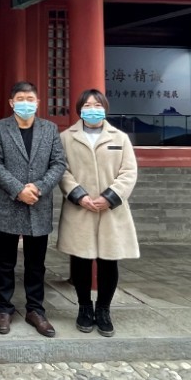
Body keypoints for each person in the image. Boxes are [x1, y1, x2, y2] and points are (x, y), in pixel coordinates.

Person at [0, 81, 67, 336]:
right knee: (4, 261)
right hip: (9, 202)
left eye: (30, 99)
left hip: (38, 203)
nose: (25, 103)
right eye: (20, 98)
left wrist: (38, 188)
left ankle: (36, 309)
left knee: (36, 262)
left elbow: (59, 163)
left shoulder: (50, 129)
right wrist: (19, 189)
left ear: (38, 102)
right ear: (11, 102)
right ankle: (4, 308)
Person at [57, 89, 139, 337]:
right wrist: (79, 195)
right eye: (87, 105)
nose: (92, 108)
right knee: (81, 259)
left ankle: (103, 309)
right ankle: (84, 307)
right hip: (80, 208)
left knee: (108, 260)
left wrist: (110, 196)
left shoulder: (120, 137)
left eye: (97, 104)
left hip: (110, 210)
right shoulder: (66, 138)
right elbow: (61, 170)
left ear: (105, 108)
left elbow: (129, 172)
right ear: (79, 108)